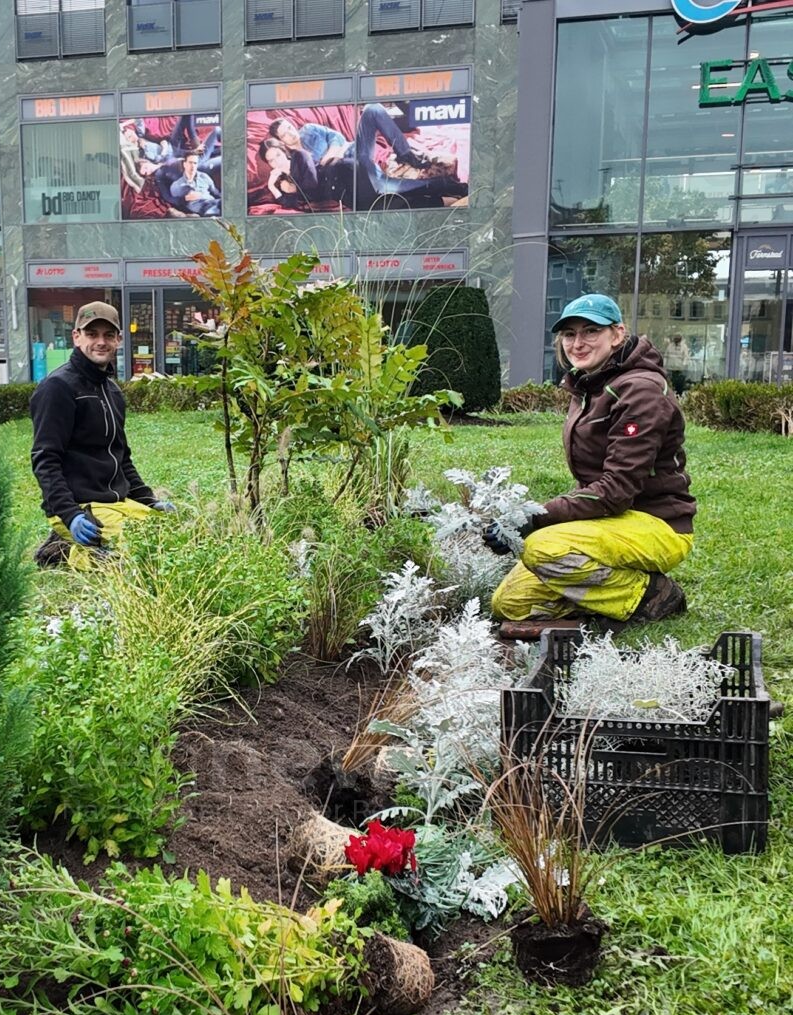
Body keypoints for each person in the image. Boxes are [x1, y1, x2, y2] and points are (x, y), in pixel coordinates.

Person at [488, 294, 695, 636]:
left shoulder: (640, 391)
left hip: (658, 524)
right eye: (569, 334)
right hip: (613, 518)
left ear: (617, 334)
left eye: (590, 331)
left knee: (544, 548)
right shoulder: (592, 386)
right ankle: (604, 593)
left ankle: (651, 595)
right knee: (510, 604)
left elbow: (615, 491)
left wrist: (534, 516)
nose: (578, 343)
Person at [29, 301, 174, 569]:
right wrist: (70, 515)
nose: (101, 342)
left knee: (168, 534)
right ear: (76, 337)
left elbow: (122, 459)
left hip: (115, 502)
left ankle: (76, 546)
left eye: (108, 335)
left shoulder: (113, 391)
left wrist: (150, 502)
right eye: (92, 334)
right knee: (141, 554)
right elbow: (45, 460)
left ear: (118, 339)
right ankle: (63, 549)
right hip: (80, 506)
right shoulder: (57, 388)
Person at [268, 107, 467, 209]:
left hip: (354, 154)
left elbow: (337, 138)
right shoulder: (294, 162)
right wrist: (272, 185)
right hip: (352, 177)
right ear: (281, 141)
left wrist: (332, 153)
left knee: (372, 110)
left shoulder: (309, 130)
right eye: (285, 134)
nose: (291, 134)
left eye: (289, 128)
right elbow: (303, 191)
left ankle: (407, 155)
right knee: (387, 191)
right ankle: (447, 188)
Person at [167, 151, 221, 217]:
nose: (192, 166)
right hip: (203, 211)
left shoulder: (204, 176)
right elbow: (174, 202)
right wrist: (185, 199)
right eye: (190, 163)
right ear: (184, 164)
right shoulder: (176, 185)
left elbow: (215, 192)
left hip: (215, 203)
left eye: (195, 163)